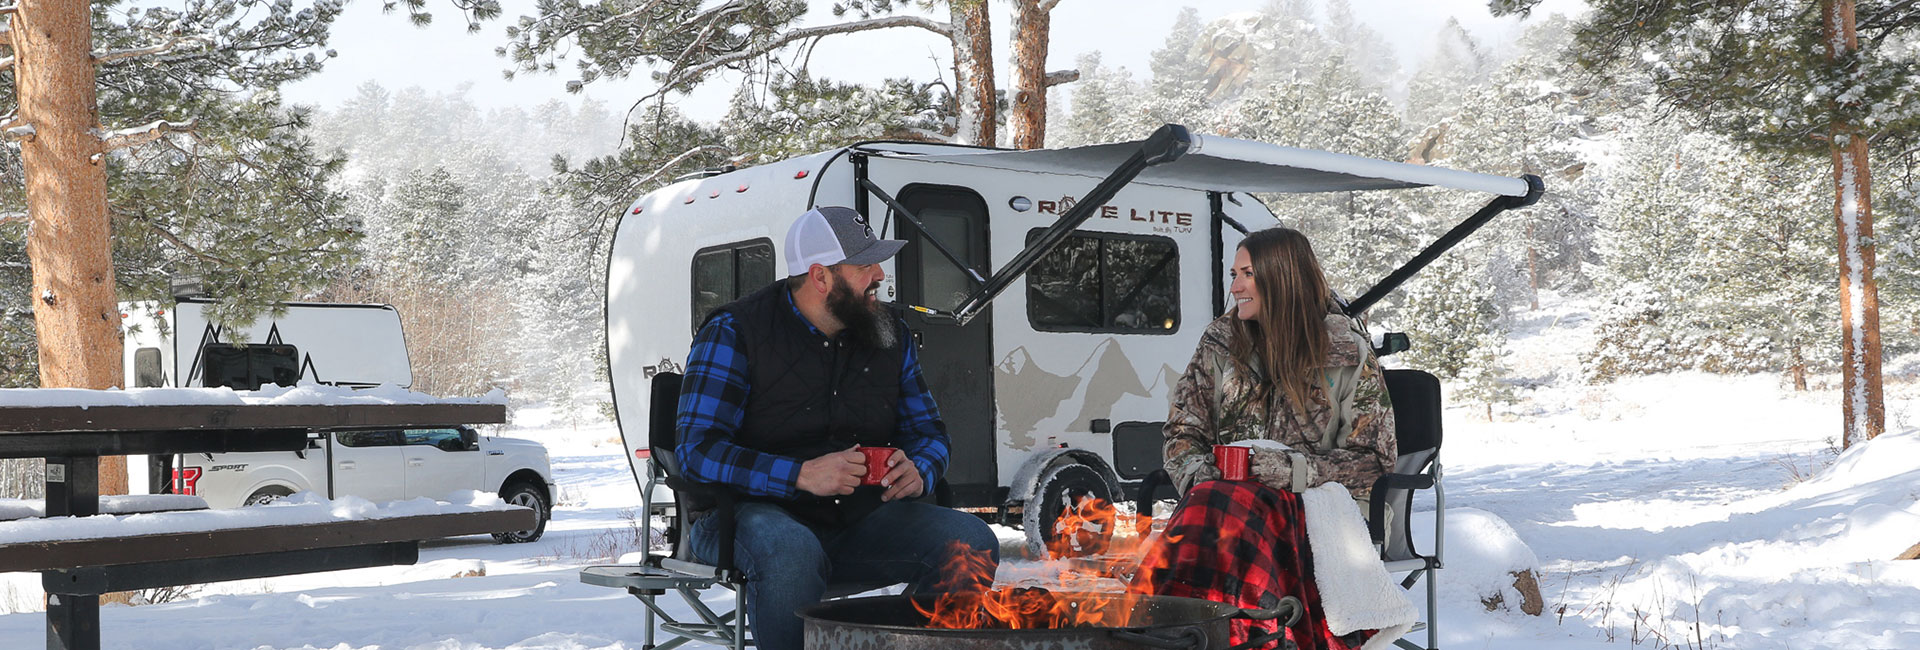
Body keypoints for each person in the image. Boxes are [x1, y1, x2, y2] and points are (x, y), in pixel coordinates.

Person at [676, 206, 1001, 650]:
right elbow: (697, 451)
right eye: (865, 265)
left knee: (971, 540)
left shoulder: (891, 333)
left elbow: (929, 432)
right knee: (790, 550)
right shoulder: (736, 331)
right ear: (820, 276)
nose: (880, 275)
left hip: (857, 518)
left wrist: (921, 467)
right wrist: (799, 474)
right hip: (747, 518)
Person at [1131, 227, 1397, 650]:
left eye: (1247, 274)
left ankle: (1208, 636)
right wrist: (1205, 478)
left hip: (1325, 506)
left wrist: (1294, 472)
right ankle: (1183, 633)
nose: (1235, 287)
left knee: (1228, 510)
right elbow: (1183, 433)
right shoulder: (1219, 342)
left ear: (1282, 277)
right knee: (1219, 504)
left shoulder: (1346, 351)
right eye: (1234, 274)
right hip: (1223, 503)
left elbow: (1375, 462)